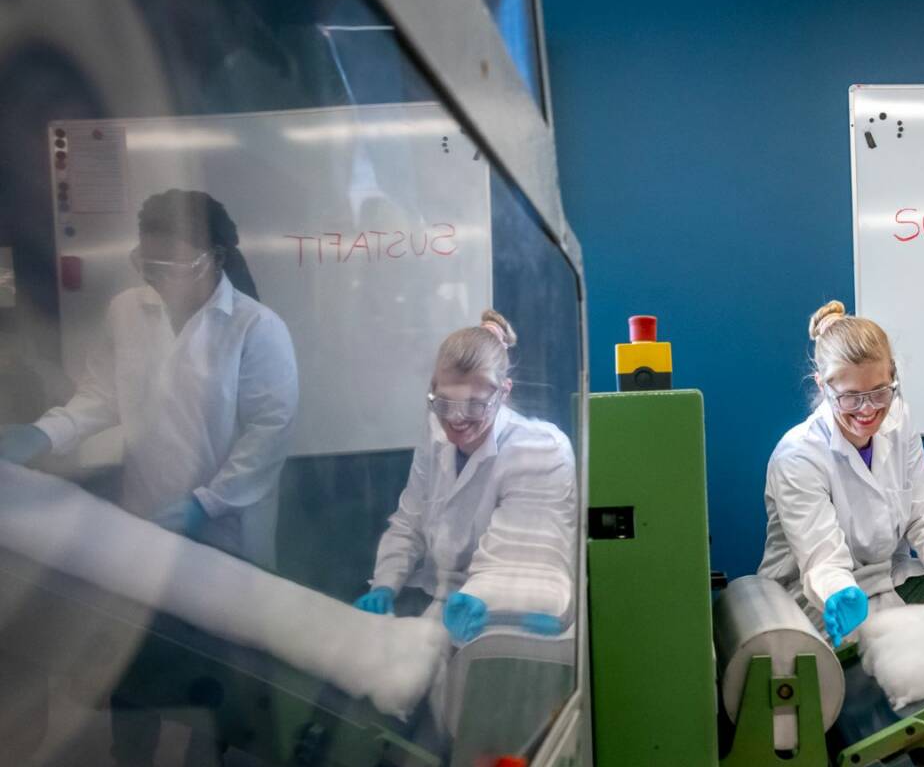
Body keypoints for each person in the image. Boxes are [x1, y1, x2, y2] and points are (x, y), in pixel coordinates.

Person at [0, 189, 298, 568]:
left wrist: (206, 504)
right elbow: (103, 393)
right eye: (147, 264)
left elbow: (268, 433)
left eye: (170, 267)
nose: (156, 278)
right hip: (146, 510)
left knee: (218, 618)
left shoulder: (256, 327)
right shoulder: (126, 310)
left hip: (228, 524)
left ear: (216, 259)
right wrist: (47, 431)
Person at [759, 300, 924, 649]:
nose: (868, 410)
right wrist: (837, 590)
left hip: (884, 578)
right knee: (896, 662)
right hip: (816, 599)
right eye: (851, 398)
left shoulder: (898, 420)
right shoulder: (799, 456)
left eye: (879, 392)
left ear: (892, 375)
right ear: (822, 386)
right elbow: (820, 555)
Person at [354, 310, 577, 644]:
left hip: (506, 614)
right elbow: (410, 520)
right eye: (445, 403)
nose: (456, 419)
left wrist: (483, 597)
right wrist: (386, 582)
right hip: (443, 603)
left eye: (475, 406)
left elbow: (522, 557)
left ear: (503, 392)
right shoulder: (436, 433)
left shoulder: (538, 449)